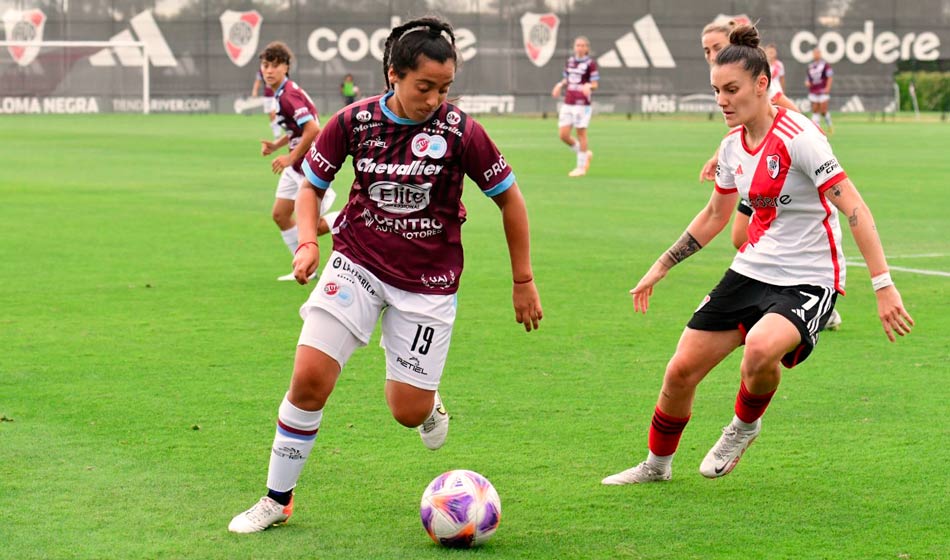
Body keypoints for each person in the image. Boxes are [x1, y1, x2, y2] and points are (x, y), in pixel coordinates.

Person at [228, 16, 543, 533]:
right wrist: (308, 242)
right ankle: (276, 499)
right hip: (357, 263)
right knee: (308, 379)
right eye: (425, 87)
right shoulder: (353, 122)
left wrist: (523, 280)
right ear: (393, 75)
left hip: (428, 282)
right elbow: (309, 187)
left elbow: (510, 199)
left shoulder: (462, 132)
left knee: (407, 411)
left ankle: (428, 404)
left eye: (445, 88)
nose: (435, 98)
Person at [601, 24, 913, 486]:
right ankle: (656, 466)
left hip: (810, 277)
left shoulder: (800, 137)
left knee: (761, 350)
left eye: (732, 90)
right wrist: (661, 266)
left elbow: (855, 207)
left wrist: (883, 285)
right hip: (752, 269)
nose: (722, 100)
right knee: (680, 371)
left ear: (762, 84)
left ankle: (743, 427)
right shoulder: (732, 146)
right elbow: (714, 216)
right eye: (716, 91)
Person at [257, 41, 338, 281]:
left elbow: (313, 129)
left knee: (309, 227)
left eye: (274, 65)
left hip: (308, 168)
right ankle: (302, 268)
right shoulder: (282, 92)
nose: (269, 70)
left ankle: (344, 218)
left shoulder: (288, 95)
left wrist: (290, 156)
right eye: (265, 65)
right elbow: (297, 130)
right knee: (280, 215)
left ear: (285, 67)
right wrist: (276, 146)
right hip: (295, 167)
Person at [551, 36, 598, 177]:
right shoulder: (570, 62)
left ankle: (581, 167)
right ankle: (585, 153)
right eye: (578, 45)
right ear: (574, 47)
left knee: (581, 133)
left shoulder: (591, 64)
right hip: (568, 102)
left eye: (583, 45)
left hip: (582, 104)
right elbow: (567, 79)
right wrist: (559, 85)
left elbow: (595, 84)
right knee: (563, 135)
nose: (580, 48)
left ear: (587, 48)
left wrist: (589, 86)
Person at [806, 47, 834, 133]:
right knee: (815, 110)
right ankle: (816, 130)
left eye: (817, 53)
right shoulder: (810, 66)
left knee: (823, 111)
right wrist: (807, 83)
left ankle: (830, 125)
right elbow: (808, 78)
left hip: (822, 91)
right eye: (814, 53)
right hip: (813, 91)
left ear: (820, 54)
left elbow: (829, 77)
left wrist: (828, 88)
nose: (816, 55)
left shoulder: (825, 65)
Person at [252, 69, 283, 140]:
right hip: (267, 96)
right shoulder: (261, 71)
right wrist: (255, 91)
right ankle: (277, 135)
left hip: (275, 94)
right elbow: (258, 81)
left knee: (273, 113)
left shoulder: (276, 68)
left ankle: (278, 134)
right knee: (271, 116)